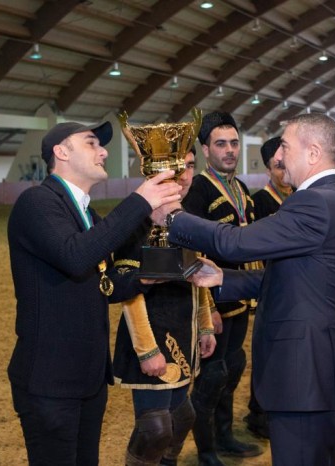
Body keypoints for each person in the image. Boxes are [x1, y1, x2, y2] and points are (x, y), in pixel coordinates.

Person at [156, 113, 335, 466]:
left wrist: (173, 218)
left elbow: (235, 243)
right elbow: (296, 280)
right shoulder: (331, 198)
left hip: (304, 376)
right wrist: (225, 280)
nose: (278, 157)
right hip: (314, 373)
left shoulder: (315, 202)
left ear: (313, 153)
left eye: (284, 145)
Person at [7, 121, 181, 465]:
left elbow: (105, 281)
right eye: (91, 143)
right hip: (50, 381)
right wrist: (140, 202)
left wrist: (145, 277)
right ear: (61, 152)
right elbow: (76, 256)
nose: (103, 152)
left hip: (87, 379)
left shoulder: (84, 212)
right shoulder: (37, 202)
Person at [112, 146, 217, 466]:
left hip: (183, 333)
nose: (186, 176)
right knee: (155, 429)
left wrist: (205, 324)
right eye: (178, 168)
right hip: (153, 338)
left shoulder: (186, 219)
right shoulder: (135, 222)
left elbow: (197, 273)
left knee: (181, 418)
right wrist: (146, 349)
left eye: (190, 166)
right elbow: (127, 288)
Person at [181, 111, 262, 465]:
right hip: (214, 301)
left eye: (233, 143)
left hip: (239, 299)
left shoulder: (241, 188)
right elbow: (192, 254)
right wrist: (207, 307)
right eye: (220, 144)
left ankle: (225, 434)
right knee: (211, 378)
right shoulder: (197, 191)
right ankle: (207, 450)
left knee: (233, 369)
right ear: (204, 148)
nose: (229, 150)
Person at [243, 136, 291, 440]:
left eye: (286, 163)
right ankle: (258, 413)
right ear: (267, 168)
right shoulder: (262, 201)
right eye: (277, 165)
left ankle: (272, 408)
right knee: (266, 351)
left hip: (288, 286)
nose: (283, 170)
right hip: (268, 283)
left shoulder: (294, 197)